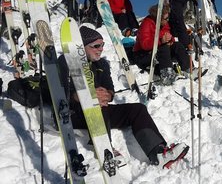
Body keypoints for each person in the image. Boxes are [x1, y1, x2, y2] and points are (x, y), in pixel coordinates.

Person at [58, 26, 189, 168]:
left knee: (137, 109)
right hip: (73, 114)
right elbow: (60, 92)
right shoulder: (66, 62)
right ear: (82, 47)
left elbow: (110, 89)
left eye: (102, 45)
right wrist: (83, 97)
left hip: (102, 113)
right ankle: (105, 150)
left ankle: (157, 153)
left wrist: (108, 95)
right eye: (96, 45)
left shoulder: (102, 64)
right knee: (97, 104)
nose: (101, 49)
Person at [133, 4, 191, 85]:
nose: (167, 20)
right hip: (142, 55)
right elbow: (145, 44)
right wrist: (161, 41)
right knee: (163, 47)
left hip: (158, 53)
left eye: (168, 18)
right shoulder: (147, 23)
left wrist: (171, 41)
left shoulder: (164, 24)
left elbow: (168, 36)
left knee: (177, 45)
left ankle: (189, 69)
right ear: (158, 18)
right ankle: (167, 75)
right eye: (165, 18)